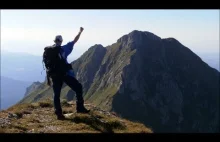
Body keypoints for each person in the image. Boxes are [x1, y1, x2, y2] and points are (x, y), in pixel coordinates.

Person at [44, 27, 90, 120]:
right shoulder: (64, 49)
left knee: (56, 94)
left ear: (54, 41)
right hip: (64, 74)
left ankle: (59, 114)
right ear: (61, 41)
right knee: (78, 87)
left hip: (54, 75)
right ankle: (80, 108)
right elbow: (74, 41)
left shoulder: (49, 51)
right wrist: (80, 32)